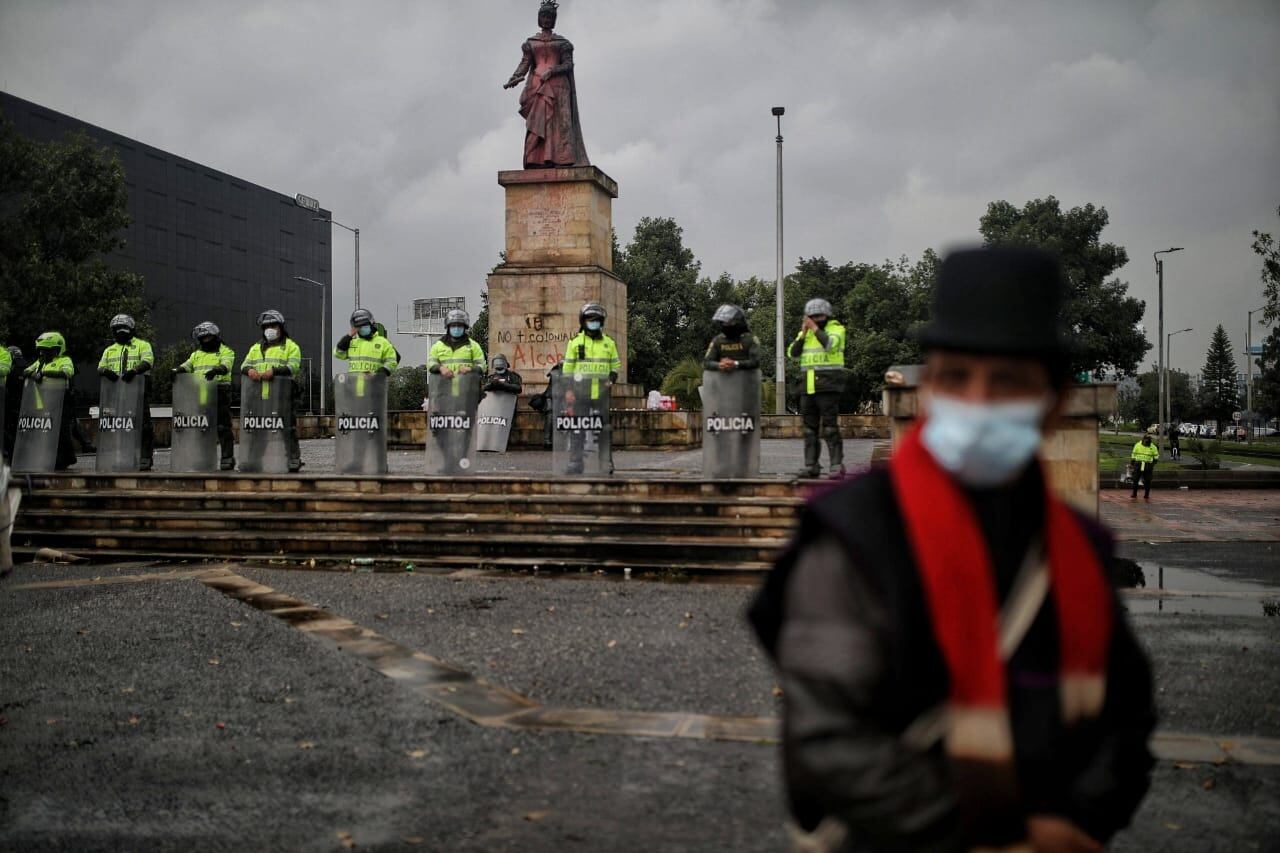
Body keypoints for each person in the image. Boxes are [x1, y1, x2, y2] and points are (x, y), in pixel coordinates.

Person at [750, 247, 1155, 852]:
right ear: (931, 388)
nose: (979, 400)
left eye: (1008, 381)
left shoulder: (1078, 547)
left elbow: (1125, 722)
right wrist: (1006, 839)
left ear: (1053, 403)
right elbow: (829, 743)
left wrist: (1080, 823)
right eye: (957, 377)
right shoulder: (854, 532)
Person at [502, 0, 590, 169]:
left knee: (559, 124)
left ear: (554, 19)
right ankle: (534, 159)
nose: (547, 19)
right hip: (537, 86)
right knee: (537, 122)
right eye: (544, 16)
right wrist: (516, 76)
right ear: (539, 18)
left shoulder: (563, 43)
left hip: (558, 87)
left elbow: (568, 64)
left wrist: (552, 71)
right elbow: (525, 63)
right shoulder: (531, 43)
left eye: (550, 17)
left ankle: (559, 159)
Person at [789, 297, 846, 479]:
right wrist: (803, 334)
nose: (814, 320)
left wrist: (814, 328)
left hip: (828, 385)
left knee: (830, 428)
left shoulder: (836, 329)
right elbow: (793, 353)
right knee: (809, 429)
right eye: (811, 317)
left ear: (827, 315)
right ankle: (811, 466)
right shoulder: (806, 333)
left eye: (818, 316)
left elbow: (830, 345)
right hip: (808, 386)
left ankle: (836, 465)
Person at [241, 309, 303, 472]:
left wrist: (274, 371)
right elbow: (244, 365)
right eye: (267, 327)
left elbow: (293, 367)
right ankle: (254, 460)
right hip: (260, 396)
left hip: (283, 395)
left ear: (281, 327)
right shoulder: (255, 348)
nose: (270, 329)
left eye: (273, 326)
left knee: (286, 428)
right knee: (259, 430)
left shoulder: (291, 346)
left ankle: (293, 459)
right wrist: (249, 370)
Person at [175, 321, 236, 470]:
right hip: (200, 393)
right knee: (201, 427)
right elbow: (187, 365)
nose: (205, 340)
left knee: (223, 426)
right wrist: (177, 370)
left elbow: (227, 365)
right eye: (202, 338)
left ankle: (227, 457)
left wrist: (217, 370)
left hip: (220, 391)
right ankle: (201, 457)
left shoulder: (225, 350)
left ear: (215, 336)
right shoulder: (196, 354)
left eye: (208, 337)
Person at [97, 314, 155, 470]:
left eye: (124, 329)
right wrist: (106, 372)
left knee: (143, 425)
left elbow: (148, 361)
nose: (120, 332)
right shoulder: (109, 350)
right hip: (116, 394)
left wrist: (135, 371)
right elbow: (100, 367)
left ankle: (145, 457)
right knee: (119, 426)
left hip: (138, 391)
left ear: (131, 329)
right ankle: (120, 457)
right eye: (117, 329)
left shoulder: (142, 345)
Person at [23, 332, 78, 470]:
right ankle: (51, 458)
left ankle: (67, 458)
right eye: (42, 350)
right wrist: (34, 374)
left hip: (62, 400)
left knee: (61, 430)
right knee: (46, 431)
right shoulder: (39, 362)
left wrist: (43, 373)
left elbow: (66, 373)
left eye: (47, 350)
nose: (43, 353)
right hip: (44, 401)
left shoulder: (64, 360)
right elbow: (26, 371)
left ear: (57, 349)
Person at [335, 309, 398, 376]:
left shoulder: (383, 343)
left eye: (365, 325)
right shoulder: (352, 343)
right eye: (359, 326)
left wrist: (380, 373)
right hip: (353, 382)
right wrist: (348, 336)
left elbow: (392, 362)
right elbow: (338, 354)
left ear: (371, 324)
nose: (362, 328)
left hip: (375, 381)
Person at [703, 304, 761, 373]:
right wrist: (719, 365)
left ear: (738, 322)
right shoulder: (718, 340)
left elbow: (755, 361)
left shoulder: (750, 339)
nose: (726, 324)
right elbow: (707, 362)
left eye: (729, 322)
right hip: (722, 378)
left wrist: (735, 364)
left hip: (747, 378)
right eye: (724, 322)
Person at [427, 309, 486, 378]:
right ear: (448, 327)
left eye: (460, 326)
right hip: (443, 383)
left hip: (467, 383)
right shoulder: (437, 346)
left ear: (464, 327)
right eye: (453, 325)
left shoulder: (473, 346)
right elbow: (430, 364)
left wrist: (470, 369)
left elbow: (482, 366)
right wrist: (440, 368)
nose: (456, 328)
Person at [3, 346, 27, 461]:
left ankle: (12, 455)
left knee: (8, 430)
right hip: (25, 404)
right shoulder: (26, 367)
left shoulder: (10, 369)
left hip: (10, 404)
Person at [1130, 433, 1159, 500]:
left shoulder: (1153, 447)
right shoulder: (1137, 445)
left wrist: (1152, 465)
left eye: (1149, 440)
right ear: (1143, 439)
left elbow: (1156, 458)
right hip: (1138, 464)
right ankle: (1134, 493)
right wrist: (1132, 464)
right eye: (1146, 440)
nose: (1148, 442)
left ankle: (1146, 494)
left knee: (1148, 481)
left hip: (1148, 465)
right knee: (1135, 479)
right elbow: (1133, 455)